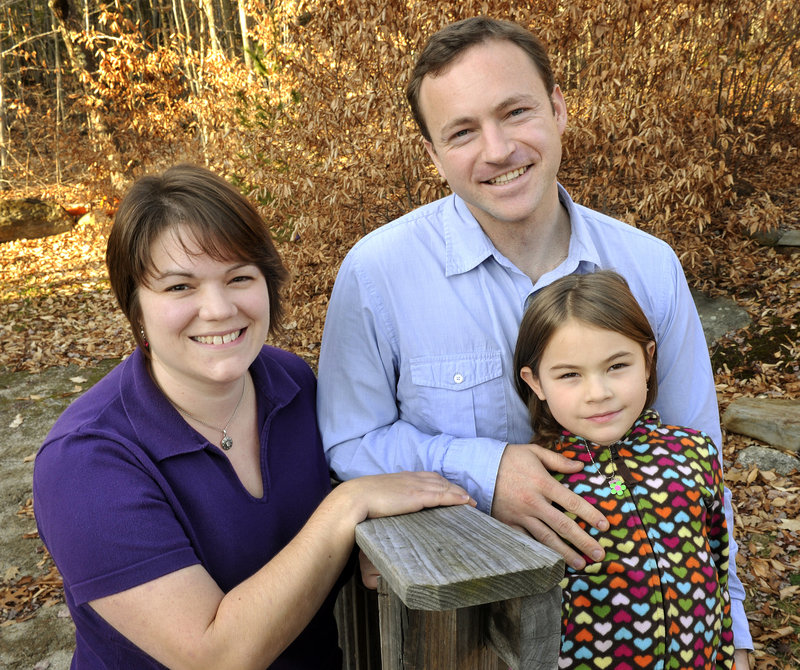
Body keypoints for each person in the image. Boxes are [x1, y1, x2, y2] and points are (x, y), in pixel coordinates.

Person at [316, 16, 752, 664]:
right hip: (464, 641)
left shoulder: (649, 266)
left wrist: (732, 631)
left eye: (515, 112)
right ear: (433, 156)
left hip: (644, 635)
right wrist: (486, 470)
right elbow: (350, 442)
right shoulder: (378, 274)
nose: (497, 150)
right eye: (462, 132)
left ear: (558, 109)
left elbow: (701, 465)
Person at [33, 164, 473, 670]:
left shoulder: (291, 384)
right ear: (135, 307)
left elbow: (290, 553)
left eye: (239, 277)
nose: (218, 309)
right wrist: (346, 508)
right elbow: (215, 657)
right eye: (180, 287)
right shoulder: (85, 463)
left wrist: (369, 549)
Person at [513, 270, 735, 669]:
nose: (599, 392)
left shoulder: (695, 453)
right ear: (536, 382)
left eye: (617, 366)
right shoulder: (536, 481)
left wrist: (729, 650)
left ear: (647, 360)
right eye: (569, 375)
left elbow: (717, 564)